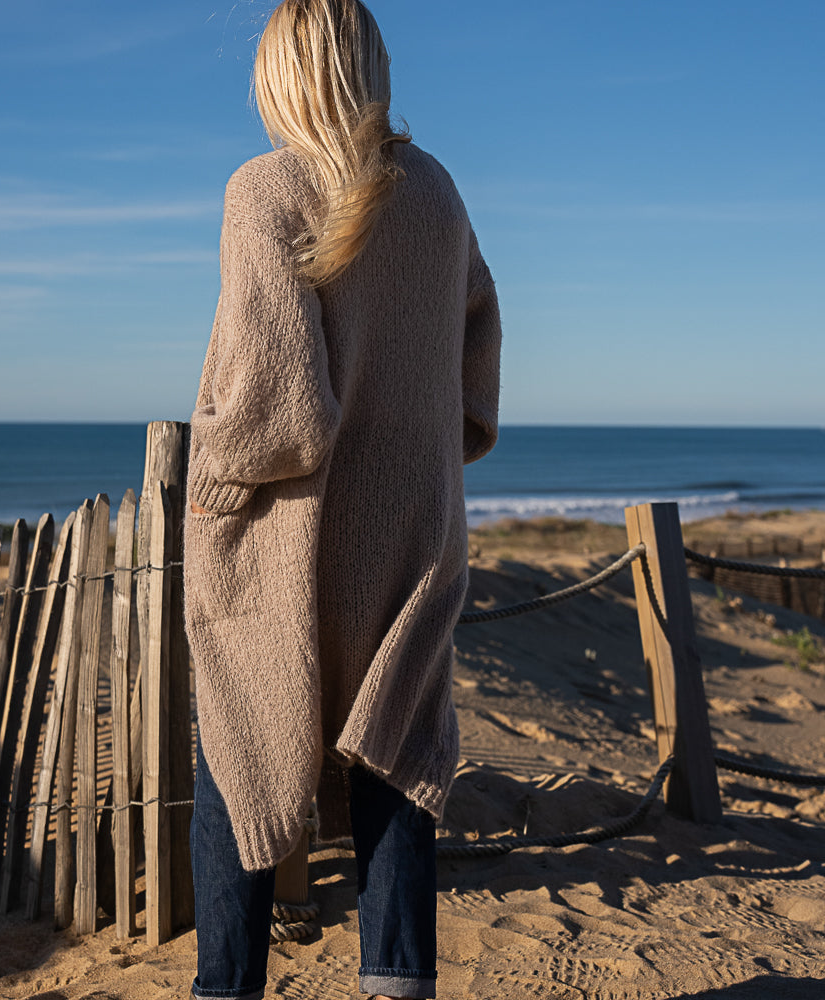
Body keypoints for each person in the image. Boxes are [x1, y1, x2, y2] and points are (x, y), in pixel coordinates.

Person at [182, 1, 501, 997]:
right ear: (370, 66)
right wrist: (420, 451)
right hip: (411, 531)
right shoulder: (437, 192)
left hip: (290, 545)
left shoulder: (265, 187)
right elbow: (476, 380)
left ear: (282, 75)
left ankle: (225, 987)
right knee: (398, 764)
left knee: (235, 765)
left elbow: (278, 414)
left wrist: (205, 467)